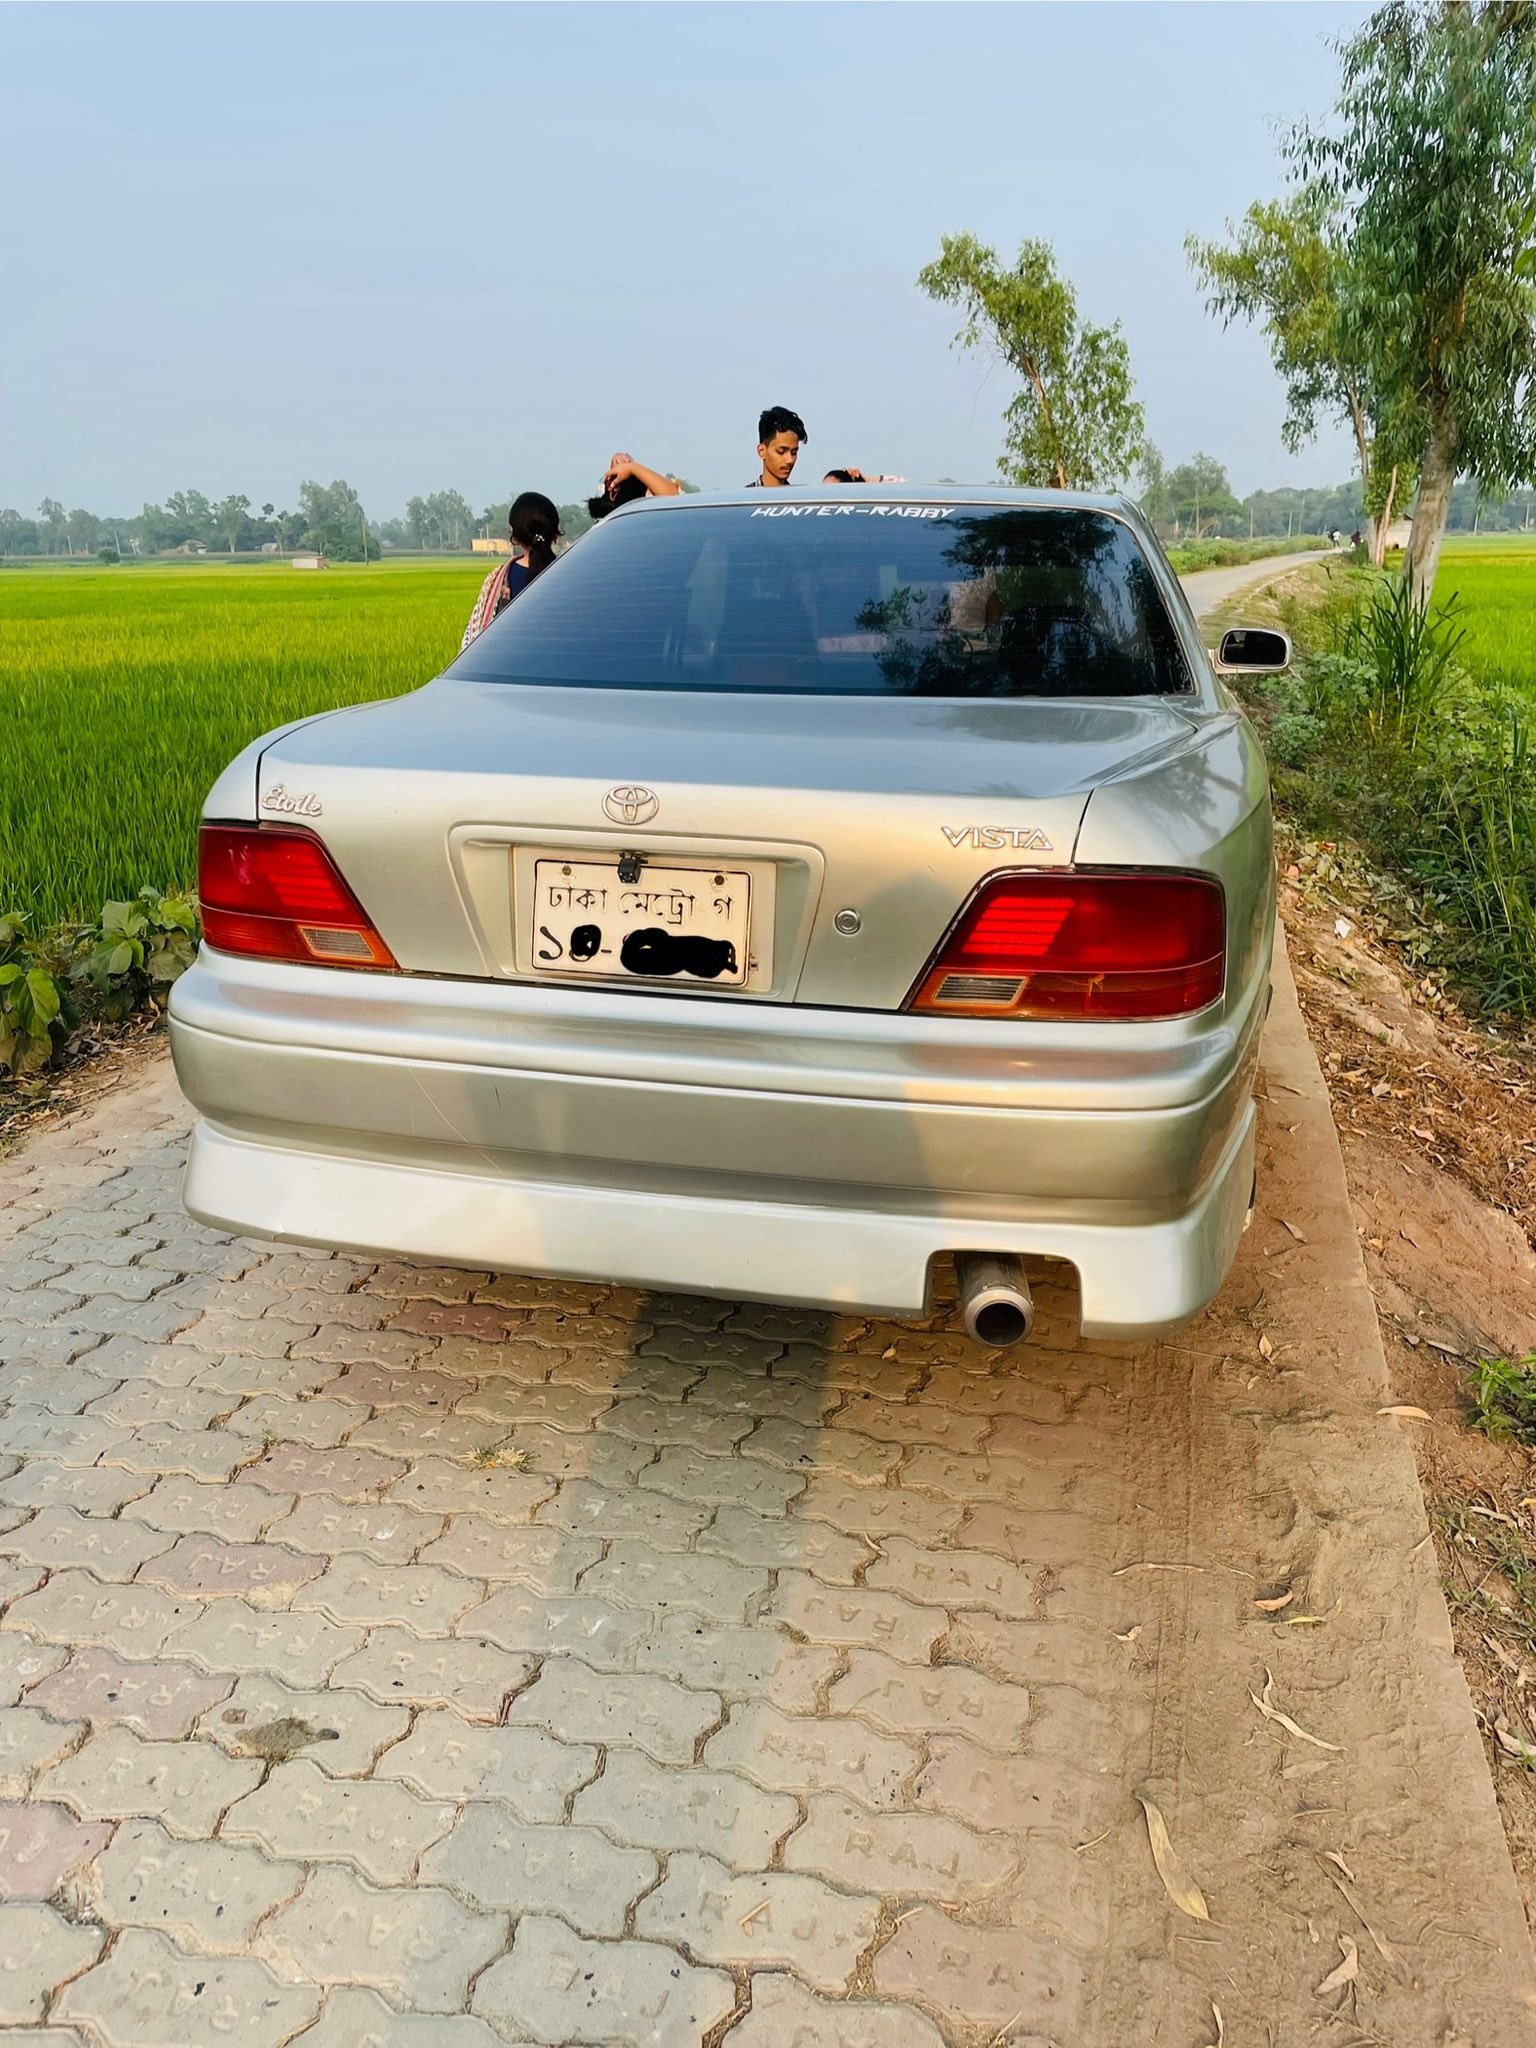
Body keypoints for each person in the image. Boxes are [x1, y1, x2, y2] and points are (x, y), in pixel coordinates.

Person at [460, 491, 560, 650]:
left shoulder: (499, 579)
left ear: (515, 534)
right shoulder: (569, 573)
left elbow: (475, 640)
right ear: (555, 533)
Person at [588, 453, 681, 522]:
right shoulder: (648, 520)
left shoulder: (604, 527)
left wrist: (630, 467)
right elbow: (675, 502)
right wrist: (632, 468)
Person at [748, 405, 806, 487]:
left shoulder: (800, 498)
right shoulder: (745, 498)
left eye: (794, 452)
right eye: (781, 452)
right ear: (761, 451)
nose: (789, 460)